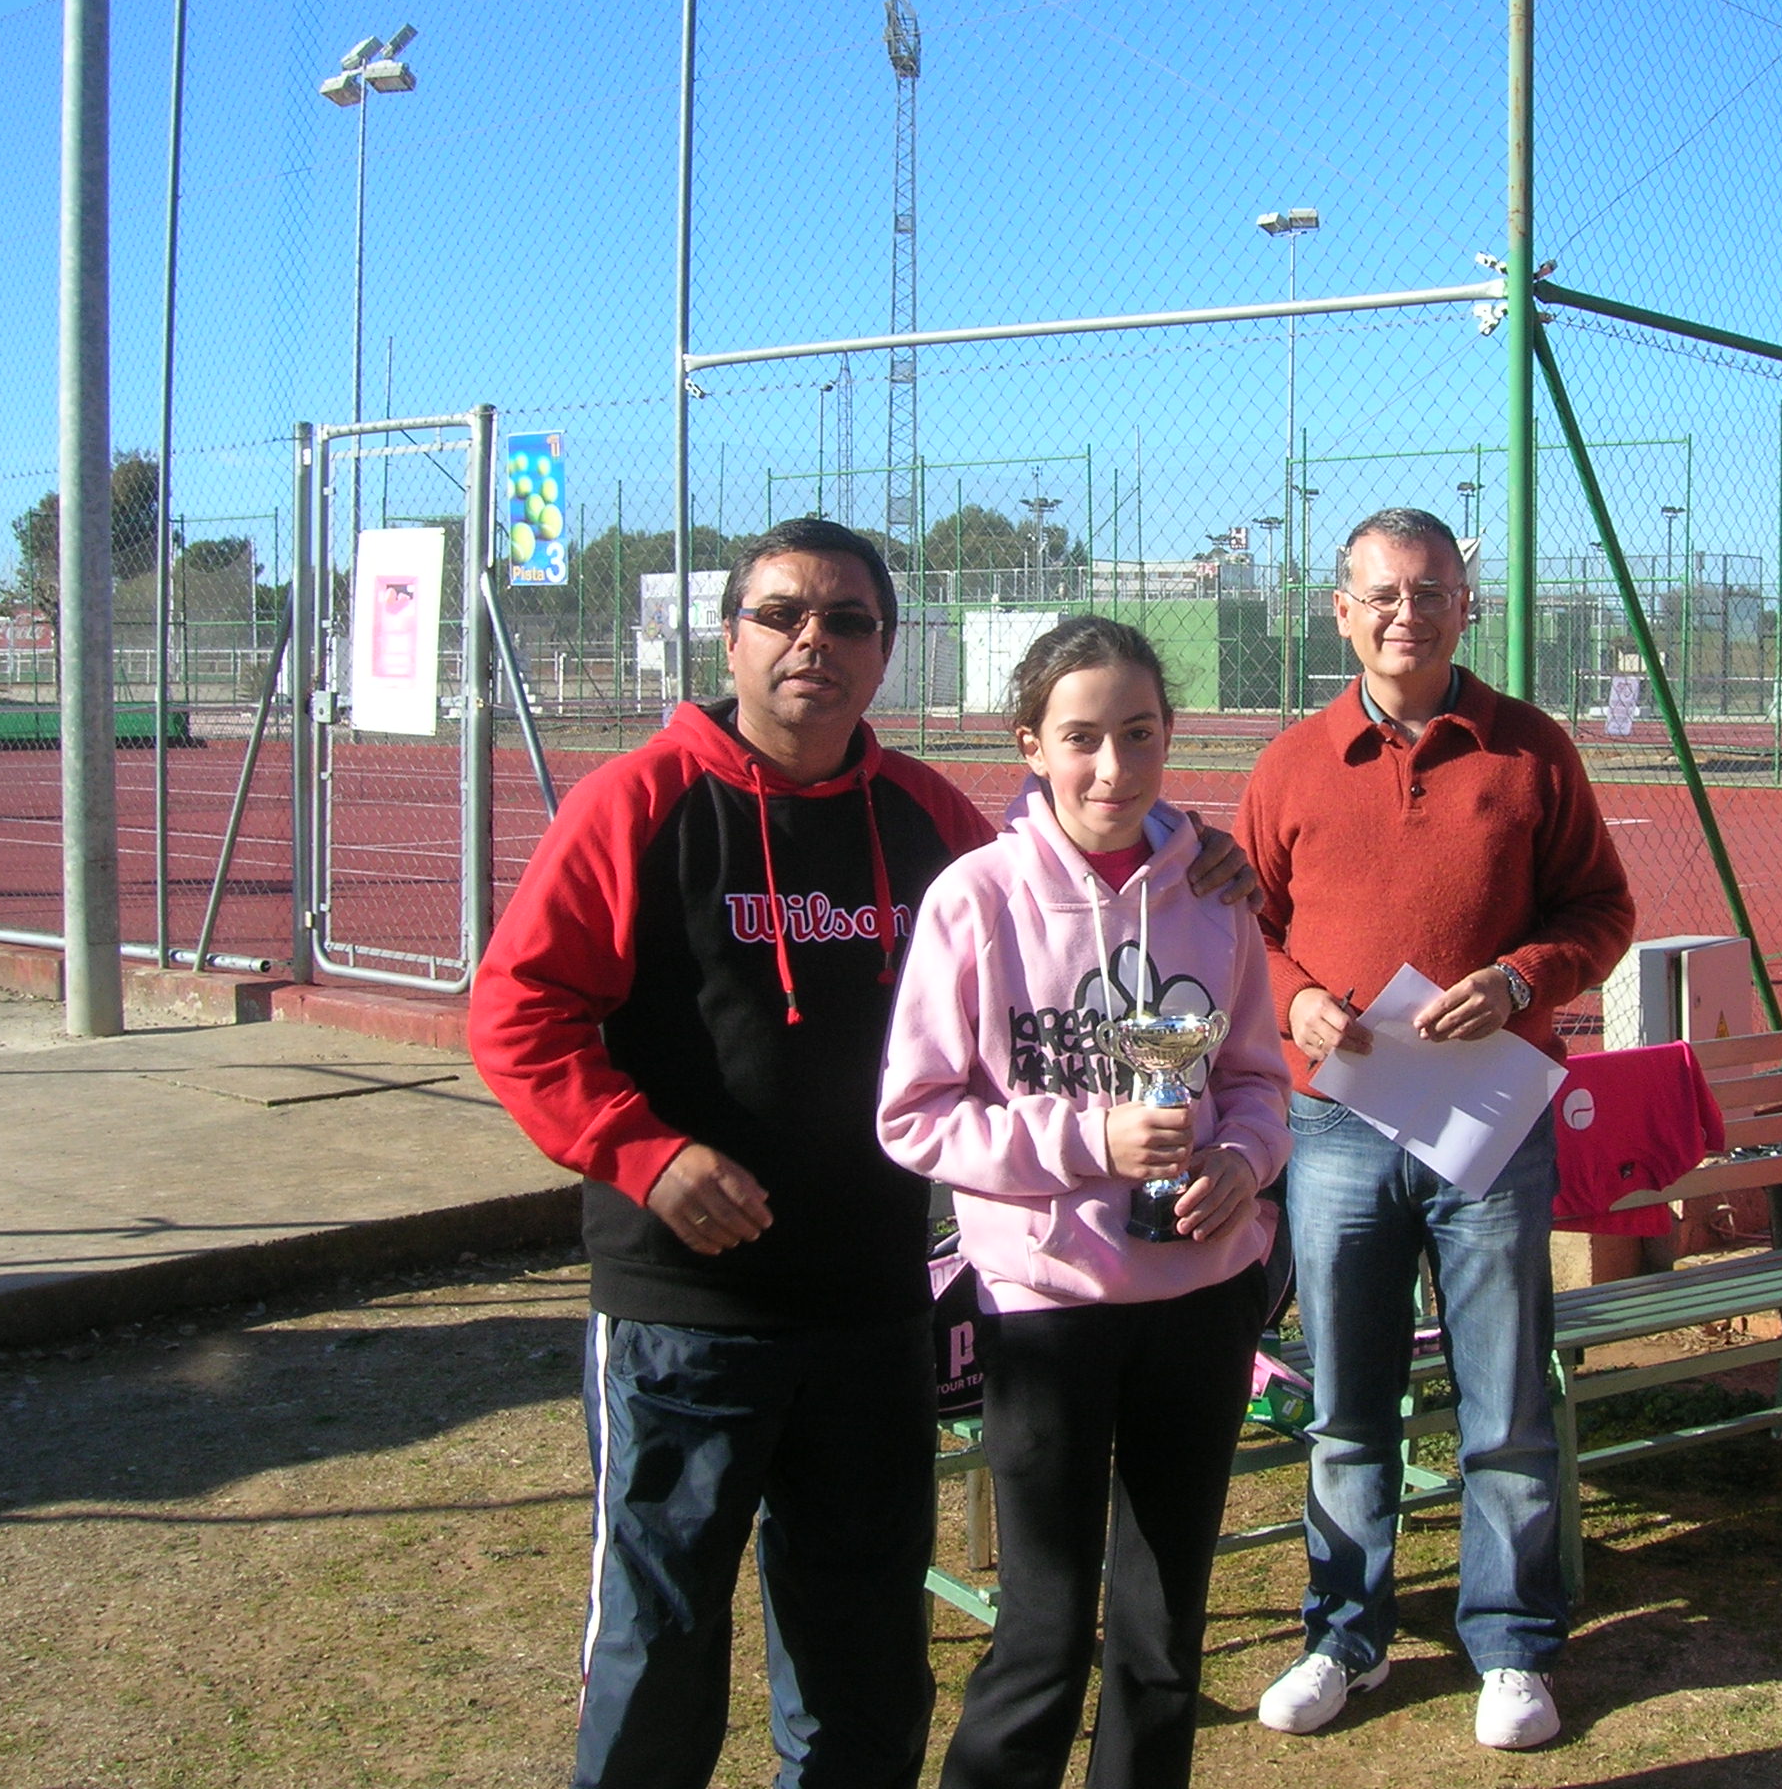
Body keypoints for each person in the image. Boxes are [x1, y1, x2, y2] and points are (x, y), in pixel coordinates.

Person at [468, 521, 1254, 1789]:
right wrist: (645, 1155)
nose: (814, 643)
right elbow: (518, 1014)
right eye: (783, 615)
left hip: (874, 1305)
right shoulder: (639, 803)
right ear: (730, 637)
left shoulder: (922, 816)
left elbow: (1073, 851)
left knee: (864, 1657)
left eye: (848, 621)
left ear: (885, 649)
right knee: (662, 1638)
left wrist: (1188, 841)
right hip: (689, 1308)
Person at [1234, 507, 1637, 1752]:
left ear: (1468, 605)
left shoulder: (1532, 750)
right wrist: (1292, 996)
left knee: (1503, 1402)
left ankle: (1511, 1646)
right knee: (1346, 1402)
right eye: (1384, 593)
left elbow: (1602, 910)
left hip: (1488, 1127)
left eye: (1432, 590)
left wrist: (1520, 980)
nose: (1407, 613)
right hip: (1338, 1126)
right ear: (1341, 611)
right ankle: (1342, 1636)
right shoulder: (1290, 765)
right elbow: (1244, 927)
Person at [878, 617, 1291, 1789]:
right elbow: (914, 1117)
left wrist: (1242, 1162)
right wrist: (1089, 1141)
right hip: (1046, 1304)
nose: (1114, 767)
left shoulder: (1213, 893)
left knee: (1162, 1637)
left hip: (1200, 1300)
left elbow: (1257, 1080)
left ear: (1170, 736)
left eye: (1140, 734)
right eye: (1082, 738)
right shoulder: (976, 899)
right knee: (1045, 1630)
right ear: (1031, 744)